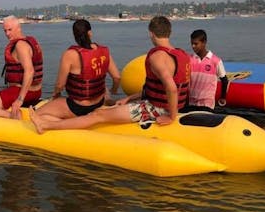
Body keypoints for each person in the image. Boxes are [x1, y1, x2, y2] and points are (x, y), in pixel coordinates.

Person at [30, 16, 190, 134]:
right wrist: (129, 98)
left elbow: (172, 88)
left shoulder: (157, 56)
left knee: (98, 114)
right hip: (167, 105)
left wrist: (171, 117)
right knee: (105, 109)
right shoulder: (181, 54)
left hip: (157, 109)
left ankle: (46, 126)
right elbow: (162, 89)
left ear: (151, 34)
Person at [33, 19, 121, 122]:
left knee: (37, 115)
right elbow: (117, 77)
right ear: (90, 33)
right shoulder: (103, 51)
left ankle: (70, 125)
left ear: (74, 35)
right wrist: (114, 90)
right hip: (99, 102)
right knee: (103, 88)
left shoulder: (70, 54)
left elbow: (60, 85)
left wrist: (56, 95)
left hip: (79, 107)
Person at [0, 16, 43, 119]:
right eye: (5, 30)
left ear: (19, 27)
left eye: (10, 30)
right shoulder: (31, 41)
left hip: (22, 92)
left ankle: (14, 116)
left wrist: (20, 99)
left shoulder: (20, 45)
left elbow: (29, 72)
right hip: (36, 92)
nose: (7, 34)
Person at [182, 29, 228, 112]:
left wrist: (223, 97)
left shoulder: (215, 61)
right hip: (192, 103)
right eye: (192, 43)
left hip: (207, 103)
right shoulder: (189, 60)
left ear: (204, 42)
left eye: (196, 44)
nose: (193, 46)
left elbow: (224, 80)